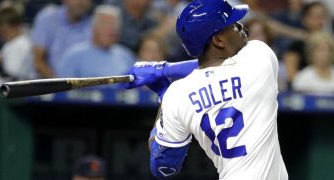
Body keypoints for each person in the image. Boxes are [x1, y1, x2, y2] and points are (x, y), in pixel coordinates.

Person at [124, 0, 288, 179]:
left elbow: (163, 167)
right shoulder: (260, 56)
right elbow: (221, 65)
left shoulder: (177, 95)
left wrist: (164, 101)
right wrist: (165, 69)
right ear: (218, 40)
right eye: (232, 25)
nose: (241, 26)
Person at [56, 5, 135, 78]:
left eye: (114, 26)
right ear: (93, 28)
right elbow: (62, 88)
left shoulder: (126, 56)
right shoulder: (74, 55)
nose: (111, 31)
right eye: (106, 25)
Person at [31, 0, 92, 78]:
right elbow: (38, 61)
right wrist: (60, 84)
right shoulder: (47, 18)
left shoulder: (92, 24)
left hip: (80, 86)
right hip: (47, 82)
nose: (82, 2)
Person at [0, 3, 33, 86]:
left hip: (16, 92)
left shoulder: (20, 44)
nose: (2, 35)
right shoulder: (12, 42)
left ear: (18, 26)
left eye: (5, 31)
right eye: (0, 32)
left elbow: (12, 76)